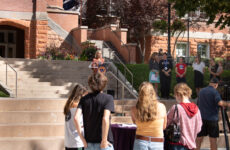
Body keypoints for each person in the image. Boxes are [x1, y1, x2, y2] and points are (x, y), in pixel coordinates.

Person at [74, 72, 114, 150]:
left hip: (88, 143)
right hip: (104, 143)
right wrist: (104, 140)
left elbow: (76, 118)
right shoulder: (108, 98)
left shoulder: (84, 99)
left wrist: (82, 140)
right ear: (104, 84)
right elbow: (105, 119)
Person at [195, 78, 230, 150]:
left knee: (198, 139)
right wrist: (228, 104)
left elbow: (198, 103)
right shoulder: (215, 92)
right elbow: (220, 103)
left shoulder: (201, 91)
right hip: (212, 119)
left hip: (201, 118)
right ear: (216, 85)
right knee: (213, 140)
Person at [131, 82, 167, 150]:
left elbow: (135, 123)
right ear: (153, 93)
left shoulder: (134, 109)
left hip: (140, 141)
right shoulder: (162, 107)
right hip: (157, 142)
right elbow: (164, 126)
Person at [166, 83, 202, 150]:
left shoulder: (176, 108)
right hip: (191, 144)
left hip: (178, 144)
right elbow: (199, 128)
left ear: (178, 94)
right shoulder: (197, 109)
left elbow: (165, 124)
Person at [64, 84, 88, 150]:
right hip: (77, 143)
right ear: (81, 95)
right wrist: (83, 140)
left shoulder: (68, 105)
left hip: (68, 142)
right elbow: (76, 120)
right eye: (85, 96)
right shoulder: (77, 108)